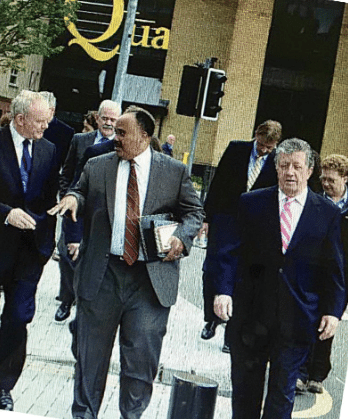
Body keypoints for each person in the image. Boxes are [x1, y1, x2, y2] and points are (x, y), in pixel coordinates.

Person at [48, 106, 204, 419]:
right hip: (103, 275)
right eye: (115, 132)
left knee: (140, 361)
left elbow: (194, 214)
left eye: (123, 133)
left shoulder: (173, 171)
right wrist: (72, 200)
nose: (115, 138)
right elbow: (78, 191)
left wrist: (182, 239)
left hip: (149, 280)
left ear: (145, 137)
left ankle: (131, 416)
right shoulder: (98, 165)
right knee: (89, 360)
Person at [213, 138, 346, 419]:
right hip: (251, 316)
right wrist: (223, 291)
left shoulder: (327, 214)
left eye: (297, 166)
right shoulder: (251, 203)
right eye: (284, 165)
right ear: (275, 167)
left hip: (297, 319)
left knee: (282, 395)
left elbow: (334, 269)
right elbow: (229, 252)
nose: (290, 173)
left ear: (310, 171)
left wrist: (333, 312)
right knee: (245, 394)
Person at [0, 90, 59, 411]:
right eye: (39, 122)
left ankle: (3, 386)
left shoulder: (49, 151)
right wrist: (6, 213)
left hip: (29, 254)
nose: (45, 128)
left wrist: (46, 247)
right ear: (20, 119)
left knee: (18, 317)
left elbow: (50, 199)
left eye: (47, 121)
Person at [200, 120, 282, 352]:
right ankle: (212, 317)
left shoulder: (277, 161)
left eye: (269, 147)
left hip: (253, 227)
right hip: (225, 219)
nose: (264, 150)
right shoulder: (236, 149)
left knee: (242, 277)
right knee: (212, 270)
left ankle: (231, 332)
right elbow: (217, 183)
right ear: (256, 135)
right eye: (262, 144)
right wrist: (206, 217)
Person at [54, 99, 121, 322]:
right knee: (67, 254)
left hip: (101, 215)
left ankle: (83, 304)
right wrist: (68, 196)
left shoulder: (121, 146)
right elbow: (68, 172)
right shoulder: (81, 141)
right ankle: (66, 298)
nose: (109, 123)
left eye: (113, 119)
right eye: (105, 119)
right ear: (97, 118)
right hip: (75, 206)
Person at [296, 154, 348, 394]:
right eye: (323, 179)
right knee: (309, 319)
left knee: (330, 321)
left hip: (343, 277)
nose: (325, 184)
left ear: (345, 179)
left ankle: (317, 374)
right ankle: (301, 371)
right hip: (315, 272)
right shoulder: (314, 202)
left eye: (331, 180)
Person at [40, 91, 75, 169]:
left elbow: (67, 164)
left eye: (41, 108)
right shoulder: (30, 125)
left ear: (52, 110)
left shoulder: (66, 132)